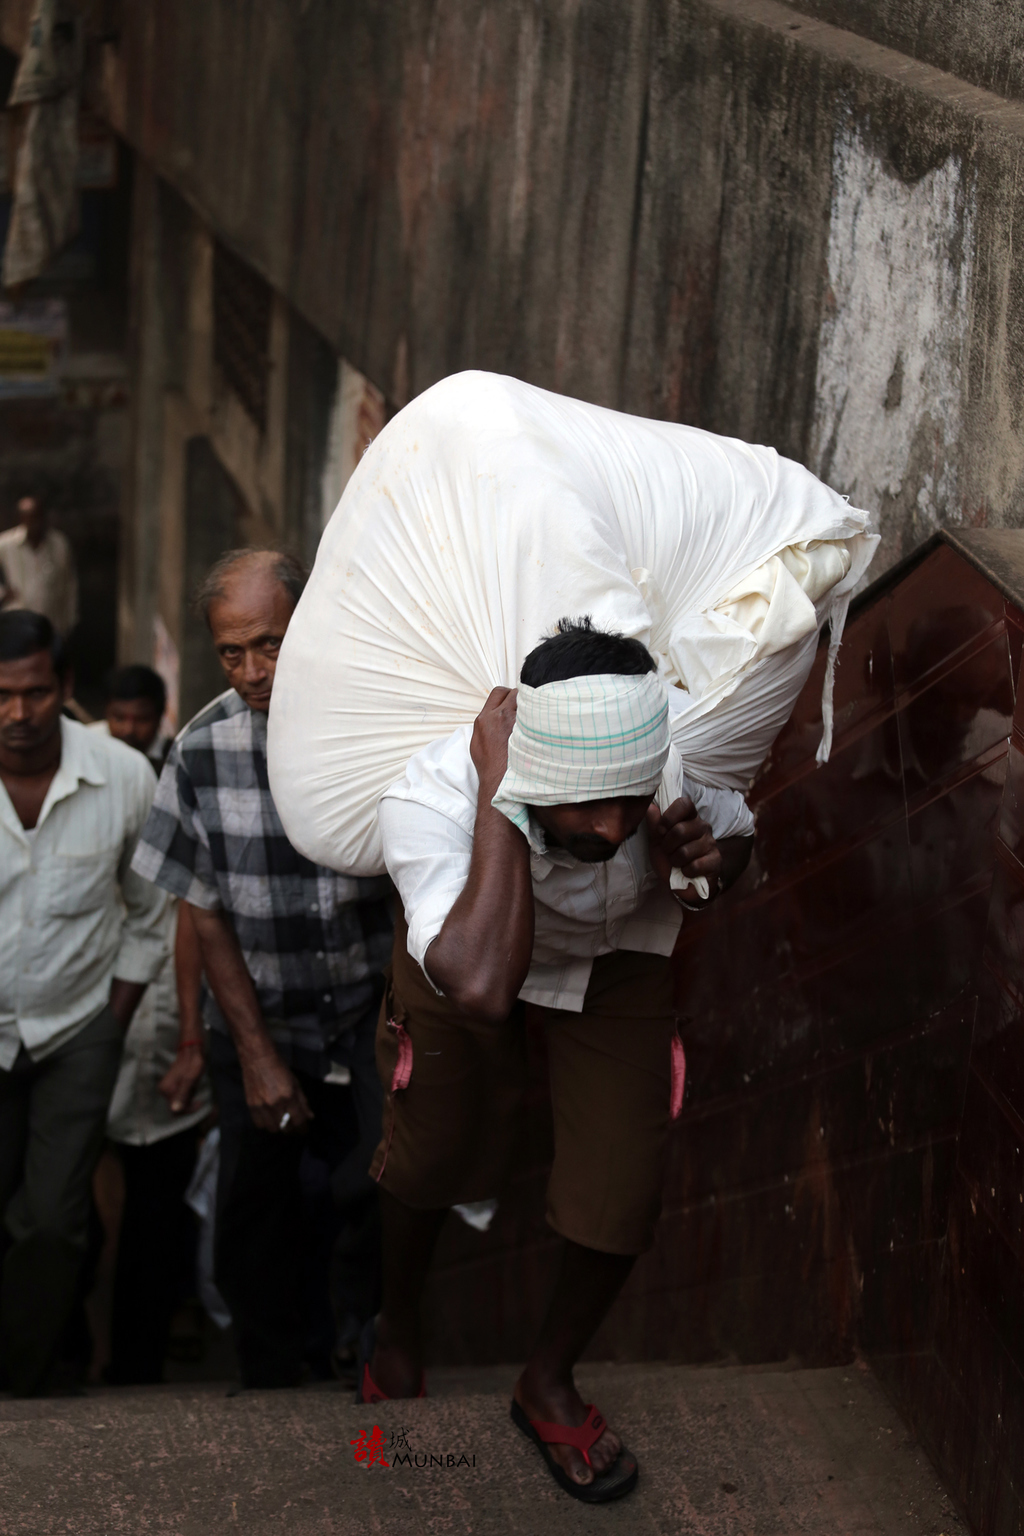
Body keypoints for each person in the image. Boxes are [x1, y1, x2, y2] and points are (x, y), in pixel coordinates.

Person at [367, 617, 755, 1503]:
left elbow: (742, 842)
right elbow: (479, 987)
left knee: (623, 1187)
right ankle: (397, 1327)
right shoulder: (431, 799)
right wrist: (506, 798)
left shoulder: (667, 763)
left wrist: (712, 859)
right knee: (431, 1150)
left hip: (616, 960)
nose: (615, 827)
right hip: (466, 954)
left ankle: (546, 1378)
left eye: (629, 799)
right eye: (584, 800)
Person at [131, 549, 393, 1388]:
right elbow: (201, 907)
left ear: (308, 626)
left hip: (364, 1006)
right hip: (258, 1013)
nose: (252, 671)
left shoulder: (375, 724)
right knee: (256, 1211)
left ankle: (373, 1350)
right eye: (233, 652)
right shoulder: (200, 750)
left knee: (381, 1183)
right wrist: (253, 1055)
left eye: (271, 645)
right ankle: (272, 1384)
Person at [0, 610, 168, 1396]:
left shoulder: (125, 776)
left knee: (51, 1220)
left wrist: (115, 1018)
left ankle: (23, 1386)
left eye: (35, 692)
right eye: (1, 694)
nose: (17, 713)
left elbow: (150, 908)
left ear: (65, 689)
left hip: (80, 1028)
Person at [95, 662, 212, 1384]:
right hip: (102, 1037)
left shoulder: (183, 774)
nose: (131, 730)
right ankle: (66, 1357)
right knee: (66, 1212)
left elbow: (197, 912)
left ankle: (144, 1359)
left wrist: (197, 1039)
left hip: (173, 1034)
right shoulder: (94, 787)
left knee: (160, 1214)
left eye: (142, 718)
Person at [0, 494, 78, 637]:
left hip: (51, 623)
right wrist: (3, 593)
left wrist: (69, 622)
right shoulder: (6, 544)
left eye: (38, 516)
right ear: (21, 518)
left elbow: (69, 583)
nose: (35, 522)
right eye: (30, 517)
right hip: (18, 623)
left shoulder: (59, 543)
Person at [96, 664, 171, 769]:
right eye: (119, 718)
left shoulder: (175, 759)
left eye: (141, 720)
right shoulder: (86, 747)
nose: (129, 730)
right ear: (106, 713)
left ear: (160, 716)